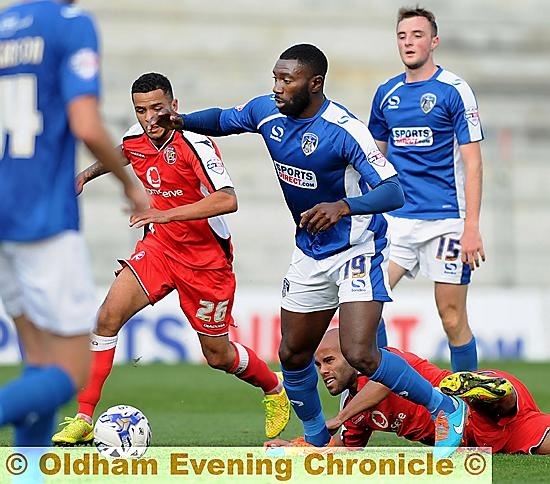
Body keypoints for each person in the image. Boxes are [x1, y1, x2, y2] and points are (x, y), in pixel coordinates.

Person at [150, 43, 468, 456]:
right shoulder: (267, 112)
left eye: (287, 79)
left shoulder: (344, 129)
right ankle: (317, 438)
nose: (278, 87)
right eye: (275, 78)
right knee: (293, 353)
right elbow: (225, 119)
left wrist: (343, 206)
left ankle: (446, 407)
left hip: (356, 248)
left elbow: (394, 190)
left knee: (361, 353)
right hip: (310, 250)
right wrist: (182, 120)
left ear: (314, 83)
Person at [51, 72, 290, 445]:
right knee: (106, 316)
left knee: (218, 355)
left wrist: (165, 213)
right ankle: (83, 416)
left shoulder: (195, 143)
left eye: (157, 109)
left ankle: (274, 388)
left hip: (205, 261)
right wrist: (86, 174)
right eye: (141, 110)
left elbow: (228, 199)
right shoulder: (136, 135)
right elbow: (125, 152)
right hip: (160, 248)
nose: (150, 119)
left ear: (174, 107)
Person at [0, 0, 147, 447]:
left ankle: (28, 475)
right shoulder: (71, 25)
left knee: (38, 364)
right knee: (69, 373)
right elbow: (85, 124)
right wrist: (127, 183)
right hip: (41, 216)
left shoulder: (4, 25)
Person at [368, 7, 485, 372]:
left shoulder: (454, 90)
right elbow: (374, 160)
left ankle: (470, 407)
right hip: (397, 221)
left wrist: (471, 227)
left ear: (433, 41)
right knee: (366, 307)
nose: (409, 43)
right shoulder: (386, 93)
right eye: (402, 36)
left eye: (417, 35)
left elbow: (473, 162)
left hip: (446, 221)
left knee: (451, 318)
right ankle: (382, 392)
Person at [267, 328, 550, 455]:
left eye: (329, 361)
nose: (323, 371)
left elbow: (382, 386)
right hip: (476, 438)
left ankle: (488, 390)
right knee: (537, 442)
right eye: (318, 365)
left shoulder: (385, 362)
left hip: (468, 407)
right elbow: (343, 450)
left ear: (353, 357)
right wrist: (296, 448)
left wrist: (340, 418)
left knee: (485, 399)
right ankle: (494, 392)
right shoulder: (355, 412)